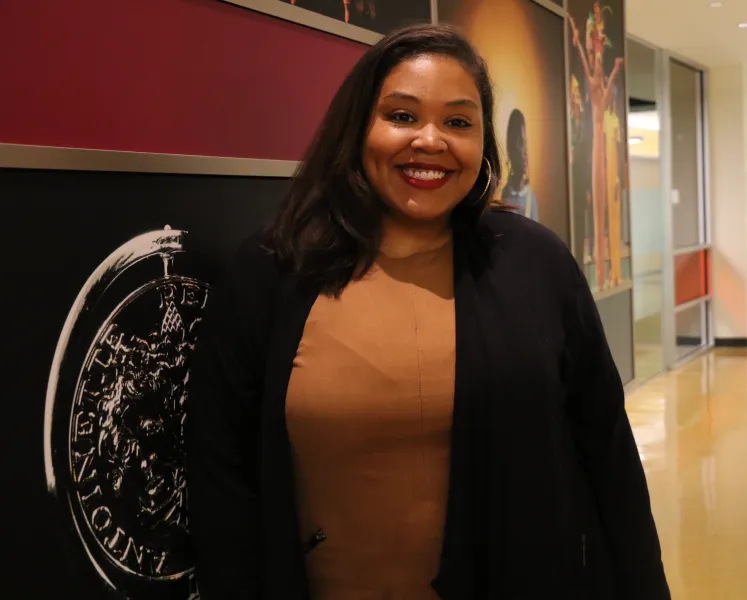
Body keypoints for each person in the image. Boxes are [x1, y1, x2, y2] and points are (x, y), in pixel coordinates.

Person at [186, 23, 669, 600]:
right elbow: (222, 478)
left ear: (481, 144)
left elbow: (608, 454)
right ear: (358, 128)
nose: (431, 141)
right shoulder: (273, 270)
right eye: (402, 116)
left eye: (459, 122)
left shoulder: (535, 264)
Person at [568, 3, 625, 290]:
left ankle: (605, 275)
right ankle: (601, 276)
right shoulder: (593, 84)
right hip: (596, 150)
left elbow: (601, 65)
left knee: (604, 207)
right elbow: (587, 56)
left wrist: (588, 41)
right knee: (597, 209)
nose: (597, 63)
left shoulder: (600, 91)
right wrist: (581, 39)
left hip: (603, 150)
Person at [500, 108, 540, 222]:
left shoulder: (530, 198)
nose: (524, 151)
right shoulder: (504, 195)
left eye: (524, 142)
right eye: (519, 143)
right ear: (511, 149)